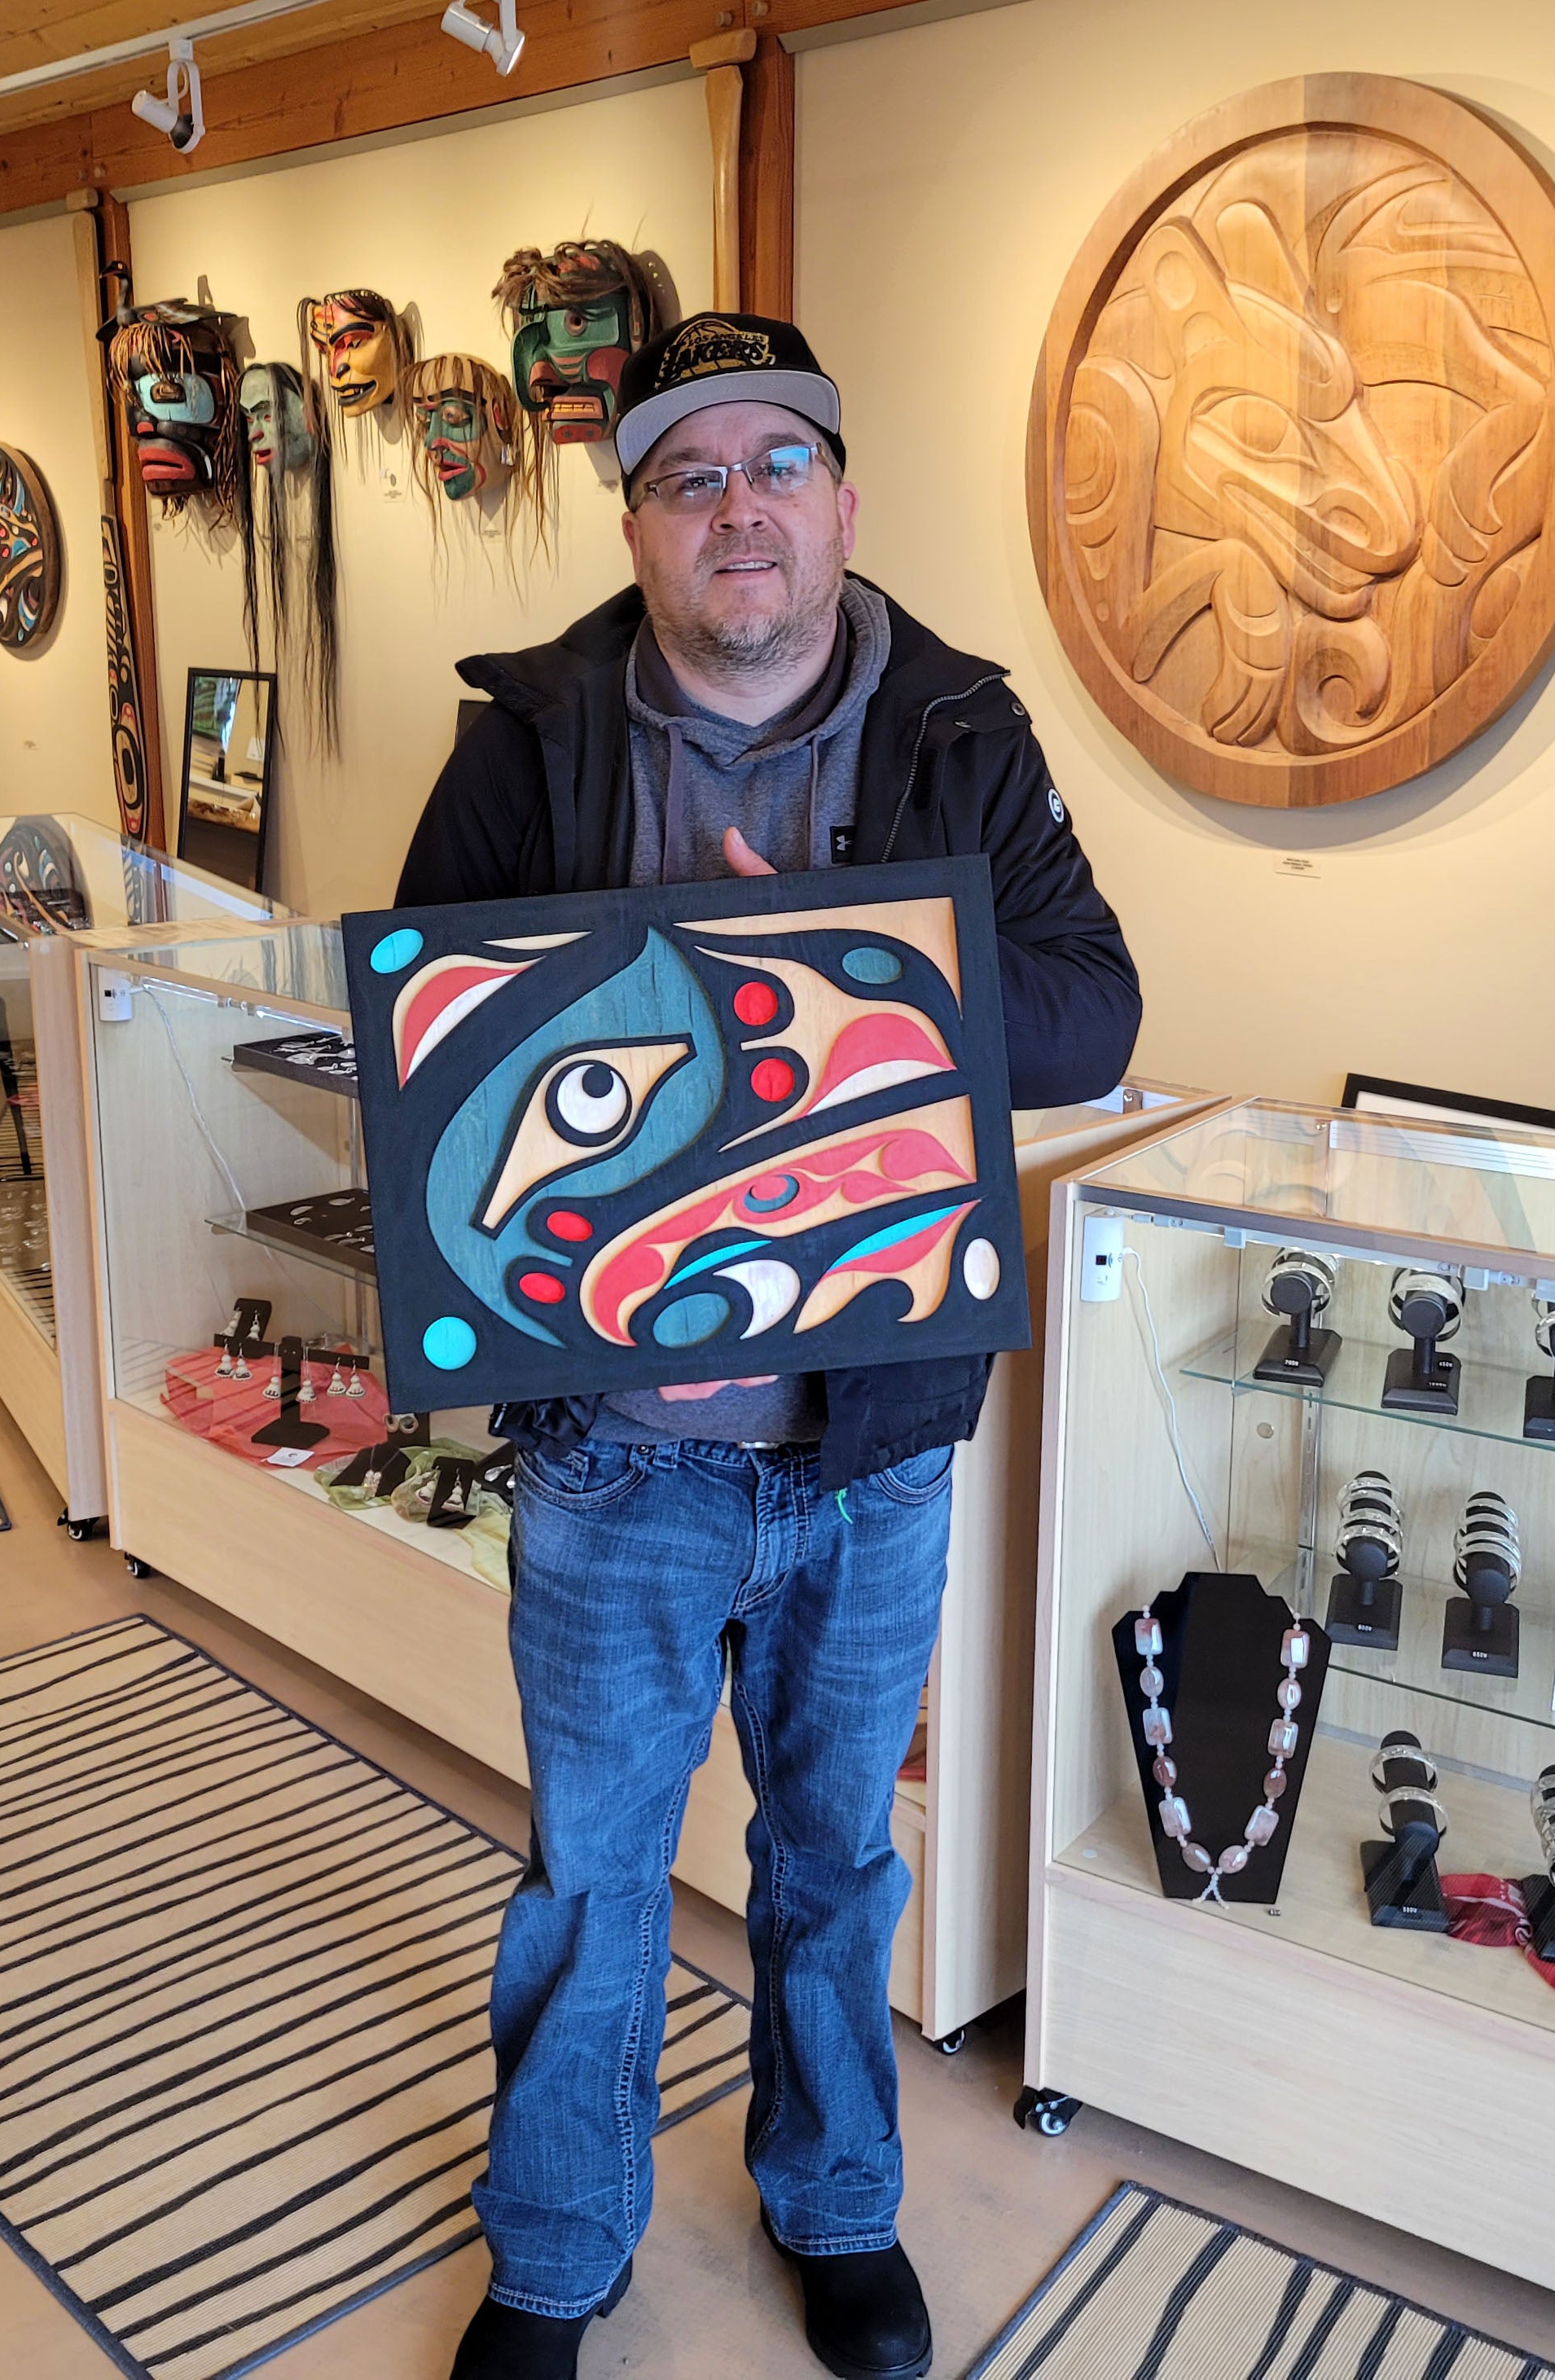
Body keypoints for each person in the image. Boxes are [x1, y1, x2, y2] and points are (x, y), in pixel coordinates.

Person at [398, 313, 1142, 2380]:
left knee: (831, 1859)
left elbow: (1096, 1008)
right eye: (687, 474)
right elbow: (429, 1039)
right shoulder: (528, 739)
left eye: (774, 464)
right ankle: (555, 2254)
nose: (739, 508)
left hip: (872, 1443)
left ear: (843, 498)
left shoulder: (965, 733)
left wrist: (820, 990)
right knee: (592, 1876)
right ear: (633, 521)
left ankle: (835, 2203)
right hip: (613, 1450)